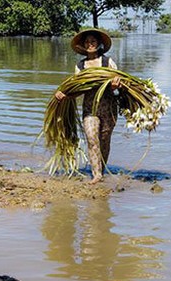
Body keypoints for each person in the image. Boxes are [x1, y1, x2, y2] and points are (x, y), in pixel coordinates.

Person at [55, 29, 122, 184]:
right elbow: (78, 89)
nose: (90, 44)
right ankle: (96, 174)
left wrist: (114, 85)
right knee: (92, 139)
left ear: (98, 44)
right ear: (83, 46)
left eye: (93, 41)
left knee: (104, 140)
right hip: (89, 108)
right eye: (87, 42)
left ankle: (102, 170)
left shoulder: (108, 62)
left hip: (109, 108)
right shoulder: (80, 66)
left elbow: (120, 85)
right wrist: (65, 94)